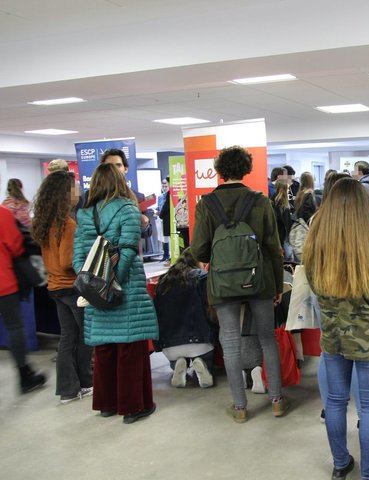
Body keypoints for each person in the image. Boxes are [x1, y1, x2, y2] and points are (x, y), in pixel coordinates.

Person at [304, 177, 369, 480]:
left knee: (334, 402)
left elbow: (315, 288)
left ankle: (340, 463)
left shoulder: (315, 246)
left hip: (332, 336)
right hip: (367, 340)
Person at [191, 146, 289, 423]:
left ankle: (240, 406)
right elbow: (273, 247)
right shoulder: (260, 202)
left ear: (220, 171)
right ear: (247, 168)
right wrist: (278, 286)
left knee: (230, 343)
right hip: (260, 281)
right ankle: (277, 400)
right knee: (267, 339)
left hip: (222, 283)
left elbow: (199, 250)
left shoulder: (206, 204)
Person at [73, 163, 158, 424]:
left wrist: (93, 283)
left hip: (95, 293)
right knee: (130, 349)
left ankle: (107, 404)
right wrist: (113, 281)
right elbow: (129, 249)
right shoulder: (128, 209)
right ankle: (133, 407)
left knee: (105, 349)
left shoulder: (85, 214)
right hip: (126, 290)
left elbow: (78, 258)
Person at [32, 171, 92, 404]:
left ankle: (68, 389)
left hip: (55, 288)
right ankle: (86, 382)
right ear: (65, 194)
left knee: (68, 338)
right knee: (84, 337)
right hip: (71, 288)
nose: (78, 191)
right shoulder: (67, 225)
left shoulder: (45, 223)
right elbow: (68, 262)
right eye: (75, 187)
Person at [0, 186, 46, 394]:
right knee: (14, 326)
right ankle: (24, 375)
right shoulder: (2, 215)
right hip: (4, 282)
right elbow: (16, 245)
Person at [154, 248, 216, 388]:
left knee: (176, 355)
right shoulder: (202, 277)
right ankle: (202, 362)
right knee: (205, 349)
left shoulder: (163, 281)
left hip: (169, 345)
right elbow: (211, 311)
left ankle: (177, 363)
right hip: (200, 342)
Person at [272, 181, 294, 262]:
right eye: (287, 188)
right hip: (284, 233)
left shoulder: (273, 200)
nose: (288, 190)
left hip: (278, 232)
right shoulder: (282, 203)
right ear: (284, 189)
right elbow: (287, 221)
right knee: (289, 257)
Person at [158, 177, 171, 263]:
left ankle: (167, 255)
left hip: (166, 218)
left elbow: (166, 207)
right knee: (163, 237)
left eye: (166, 185)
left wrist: (161, 215)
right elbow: (159, 207)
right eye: (163, 186)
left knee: (167, 237)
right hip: (161, 219)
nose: (164, 187)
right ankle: (165, 255)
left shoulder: (169, 194)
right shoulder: (160, 197)